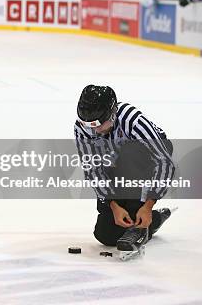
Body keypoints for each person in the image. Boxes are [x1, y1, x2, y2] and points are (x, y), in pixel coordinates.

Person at [74, 85, 175, 260]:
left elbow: (164, 162)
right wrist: (113, 205)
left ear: (112, 114)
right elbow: (93, 169)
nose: (93, 131)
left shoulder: (132, 119)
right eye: (88, 125)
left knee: (130, 153)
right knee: (105, 235)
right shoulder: (83, 128)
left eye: (98, 125)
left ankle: (141, 221)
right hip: (115, 164)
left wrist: (148, 206)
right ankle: (155, 219)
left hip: (147, 158)